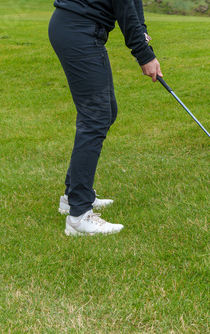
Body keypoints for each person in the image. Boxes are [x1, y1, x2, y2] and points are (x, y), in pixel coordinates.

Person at [48, 0, 162, 236]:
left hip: (79, 29)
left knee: (106, 112)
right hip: (78, 30)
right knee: (95, 117)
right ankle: (79, 217)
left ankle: (73, 196)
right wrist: (144, 54)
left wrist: (141, 28)